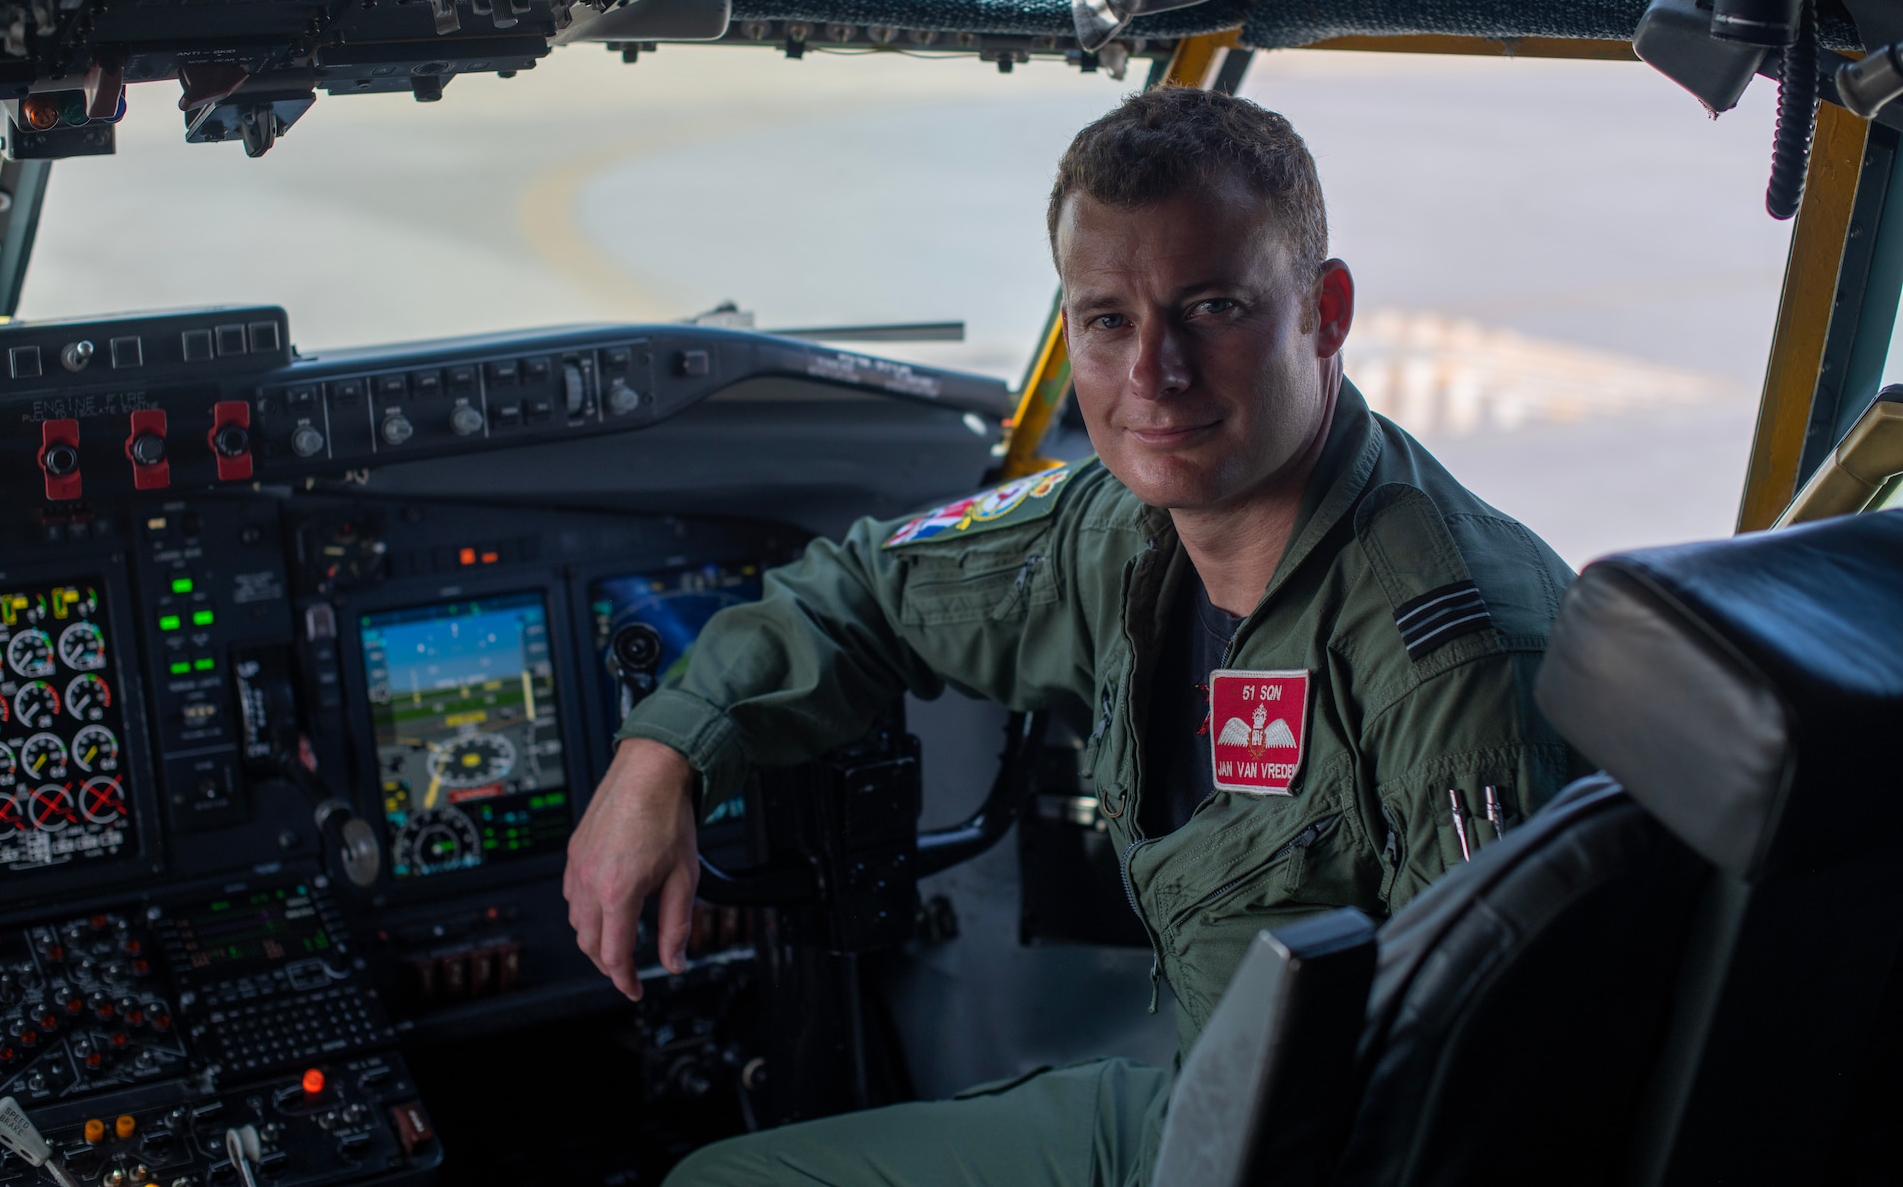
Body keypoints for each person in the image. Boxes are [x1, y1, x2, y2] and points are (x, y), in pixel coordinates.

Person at [562, 85, 1581, 1186]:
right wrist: (661, 752)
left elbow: (1498, 1105)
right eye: (1106, 320)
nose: (1153, 376)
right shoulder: (1118, 525)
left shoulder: (1450, 664)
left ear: (1322, 311)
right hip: (1209, 1112)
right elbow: (861, 587)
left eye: (1211, 308)